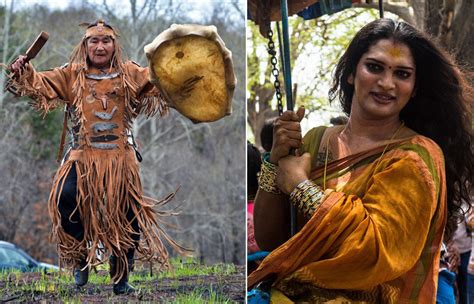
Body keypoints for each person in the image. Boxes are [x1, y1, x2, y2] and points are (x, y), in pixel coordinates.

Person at [249, 18, 473, 302]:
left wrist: (299, 185)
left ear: (414, 87)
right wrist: (274, 161)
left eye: (402, 74)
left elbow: (370, 248)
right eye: (374, 67)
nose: (386, 83)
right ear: (352, 73)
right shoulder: (315, 141)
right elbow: (271, 239)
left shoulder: (416, 156)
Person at [7, 20, 190, 294]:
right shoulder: (72, 75)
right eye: (94, 41)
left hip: (120, 158)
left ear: (114, 45)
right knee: (64, 197)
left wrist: (178, 68)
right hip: (83, 156)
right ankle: (79, 257)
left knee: (129, 217)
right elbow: (40, 84)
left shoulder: (129, 72)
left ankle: (121, 280)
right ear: (85, 45)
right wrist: (24, 69)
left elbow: (157, 80)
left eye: (106, 41)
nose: (100, 46)